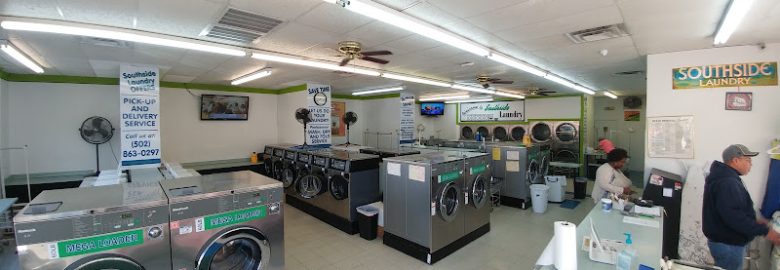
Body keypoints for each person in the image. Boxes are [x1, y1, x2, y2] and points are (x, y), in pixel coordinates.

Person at [703, 144, 780, 270]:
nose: (751, 164)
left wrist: (754, 221)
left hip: (725, 242)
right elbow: (733, 217)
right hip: (728, 244)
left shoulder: (725, 177)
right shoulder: (728, 182)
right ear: (735, 160)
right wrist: (765, 231)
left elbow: (732, 211)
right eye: (748, 160)